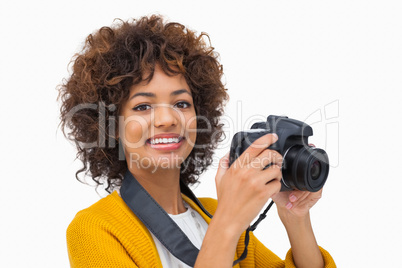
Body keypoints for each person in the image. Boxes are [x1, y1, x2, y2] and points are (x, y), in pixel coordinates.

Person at [59, 14, 336, 267]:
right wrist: (228, 223)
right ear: (111, 126)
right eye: (143, 107)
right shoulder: (94, 228)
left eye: (181, 103)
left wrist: (294, 217)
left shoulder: (214, 213)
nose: (167, 119)